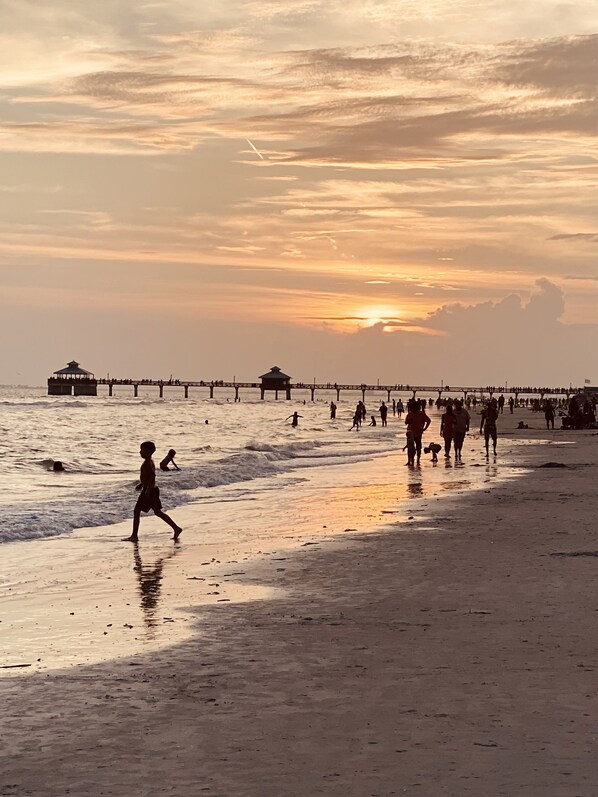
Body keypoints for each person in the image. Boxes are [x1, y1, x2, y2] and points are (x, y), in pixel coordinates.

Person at [124, 441, 182, 543]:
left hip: (150, 490)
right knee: (157, 512)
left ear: (148, 451)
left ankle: (134, 536)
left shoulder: (147, 463)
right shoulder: (149, 461)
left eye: (142, 450)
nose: (140, 452)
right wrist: (141, 484)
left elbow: (152, 476)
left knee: (137, 510)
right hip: (153, 490)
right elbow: (148, 477)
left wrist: (147, 490)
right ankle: (176, 528)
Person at [404, 399, 431, 464]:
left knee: (418, 447)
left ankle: (418, 459)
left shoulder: (421, 414)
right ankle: (409, 460)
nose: (412, 409)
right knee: (410, 447)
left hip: (418, 433)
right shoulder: (410, 414)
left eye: (413, 408)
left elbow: (428, 421)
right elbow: (406, 422)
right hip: (410, 433)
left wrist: (424, 428)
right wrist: (409, 421)